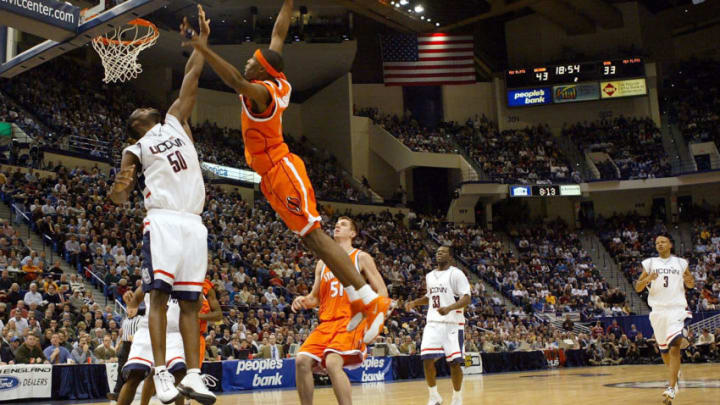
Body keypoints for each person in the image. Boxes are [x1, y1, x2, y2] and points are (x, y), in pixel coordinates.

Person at [183, 0, 391, 345]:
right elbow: (278, 35)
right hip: (271, 175)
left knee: (316, 236)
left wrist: (203, 48)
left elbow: (235, 80)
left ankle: (370, 299)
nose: (247, 61)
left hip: (281, 168)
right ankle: (360, 298)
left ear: (261, 72)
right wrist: (288, 4)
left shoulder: (262, 92)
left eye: (252, 61)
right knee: (311, 240)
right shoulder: (273, 74)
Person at [108, 10, 213, 405]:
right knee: (157, 298)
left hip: (194, 223)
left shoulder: (173, 120)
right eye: (130, 118)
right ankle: (161, 374)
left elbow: (192, 75)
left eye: (138, 112)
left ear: (151, 114)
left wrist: (202, 40)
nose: (133, 115)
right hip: (164, 221)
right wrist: (122, 186)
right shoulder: (132, 148)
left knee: (190, 303)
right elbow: (119, 197)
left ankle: (194, 375)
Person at [293, 217, 388, 405]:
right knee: (301, 360)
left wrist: (375, 320)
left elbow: (382, 291)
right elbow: (315, 298)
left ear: (352, 234)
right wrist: (303, 300)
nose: (337, 226)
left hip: (351, 322)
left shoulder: (361, 257)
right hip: (327, 323)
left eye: (343, 224)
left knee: (332, 361)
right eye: (336, 223)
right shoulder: (322, 263)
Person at [405, 245, 472, 405]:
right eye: (437, 251)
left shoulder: (457, 274)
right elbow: (430, 297)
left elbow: (466, 298)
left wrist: (449, 308)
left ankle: (457, 398)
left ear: (450, 257)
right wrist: (414, 302)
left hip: (453, 325)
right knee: (427, 359)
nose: (438, 253)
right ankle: (434, 396)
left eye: (442, 252)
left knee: (455, 363)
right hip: (433, 323)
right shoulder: (429, 276)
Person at [635, 234, 694, 405]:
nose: (659, 244)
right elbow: (638, 287)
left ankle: (671, 386)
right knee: (664, 351)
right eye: (657, 243)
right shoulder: (650, 263)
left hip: (676, 309)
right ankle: (674, 375)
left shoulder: (681, 263)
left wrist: (689, 281)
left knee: (675, 344)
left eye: (662, 242)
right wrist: (648, 279)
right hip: (658, 311)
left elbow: (690, 284)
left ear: (670, 244)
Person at [117, 286, 186, 405]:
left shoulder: (185, 280)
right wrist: (130, 299)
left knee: (179, 373)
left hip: (172, 332)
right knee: (134, 376)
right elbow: (133, 303)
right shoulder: (152, 275)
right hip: (148, 329)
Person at [107, 305, 142, 401]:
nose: (131, 310)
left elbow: (143, 333)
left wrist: (135, 339)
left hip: (135, 346)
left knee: (132, 371)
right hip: (125, 346)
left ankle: (127, 393)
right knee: (120, 369)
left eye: (133, 308)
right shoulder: (124, 320)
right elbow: (123, 334)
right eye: (129, 308)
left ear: (137, 309)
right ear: (126, 309)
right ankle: (117, 392)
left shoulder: (140, 319)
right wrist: (119, 343)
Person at [198, 279, 223, 367]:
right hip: (173, 335)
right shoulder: (170, 280)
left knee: (191, 374)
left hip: (197, 337)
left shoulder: (205, 285)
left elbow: (218, 315)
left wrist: (196, 316)